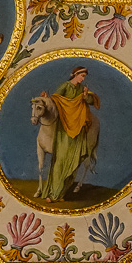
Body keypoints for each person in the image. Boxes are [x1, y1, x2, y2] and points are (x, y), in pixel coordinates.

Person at [41, 66, 100, 201]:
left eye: (84, 77)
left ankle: (61, 194)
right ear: (75, 74)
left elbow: (91, 101)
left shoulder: (82, 88)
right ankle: (53, 194)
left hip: (79, 130)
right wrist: (46, 98)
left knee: (74, 163)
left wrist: (85, 96)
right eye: (82, 76)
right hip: (65, 129)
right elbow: (54, 100)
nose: (83, 79)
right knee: (60, 161)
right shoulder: (65, 86)